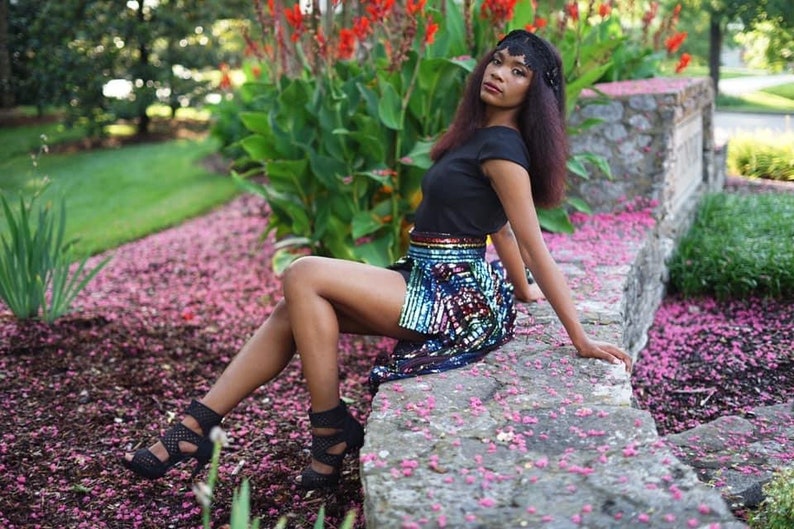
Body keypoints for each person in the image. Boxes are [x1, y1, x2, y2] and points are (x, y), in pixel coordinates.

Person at [122, 29, 632, 491]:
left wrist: (580, 338)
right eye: (498, 61)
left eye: (518, 71)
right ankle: (195, 428)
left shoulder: (504, 150)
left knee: (303, 273)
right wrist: (520, 290)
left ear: (535, 92)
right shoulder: (478, 138)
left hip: (453, 298)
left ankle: (328, 431)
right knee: (291, 314)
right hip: (429, 279)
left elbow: (533, 245)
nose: (499, 74)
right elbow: (494, 222)